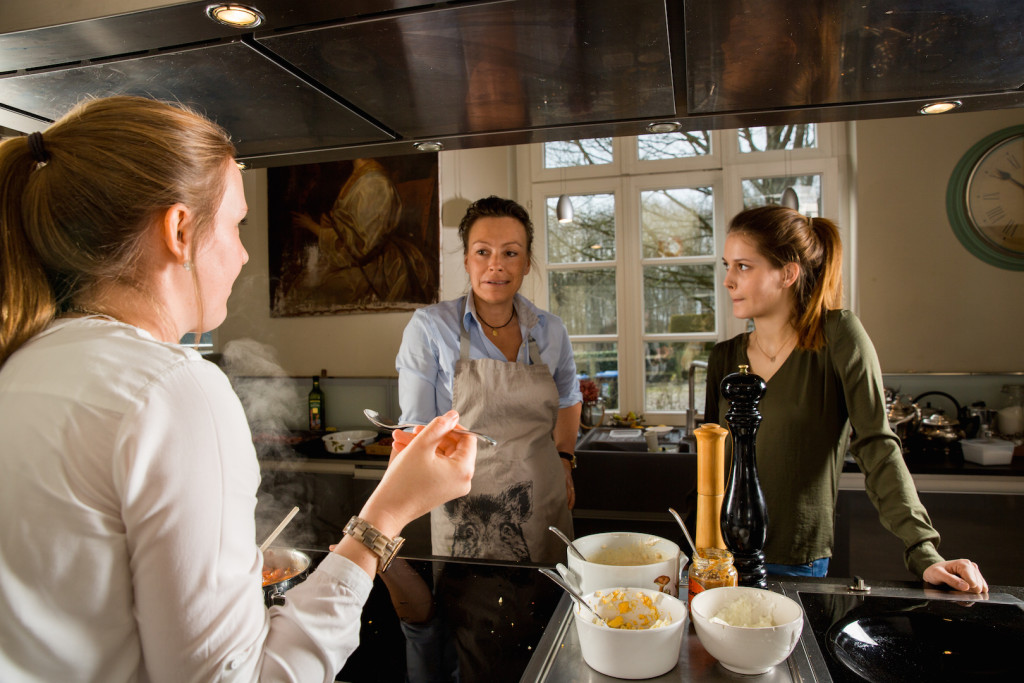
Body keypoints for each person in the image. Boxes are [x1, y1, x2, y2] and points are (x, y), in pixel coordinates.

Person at [0, 95, 477, 682]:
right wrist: (388, 513)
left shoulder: (21, 365)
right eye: (236, 224)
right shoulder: (174, 391)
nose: (246, 252)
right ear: (179, 230)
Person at [703, 205, 988, 593]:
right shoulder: (724, 357)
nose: (728, 281)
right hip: (721, 559)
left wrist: (924, 551)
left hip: (795, 560)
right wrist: (698, 551)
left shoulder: (838, 337)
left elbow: (877, 446)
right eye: (727, 266)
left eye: (743, 267)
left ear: (788, 273)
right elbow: (709, 468)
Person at [396, 195, 582, 564]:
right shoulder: (430, 328)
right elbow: (415, 429)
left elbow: (568, 399)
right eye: (483, 252)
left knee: (549, 608)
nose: (496, 265)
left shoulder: (551, 331)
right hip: (463, 509)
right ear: (466, 259)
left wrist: (564, 459)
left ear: (527, 263)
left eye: (510, 253)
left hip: (538, 499)